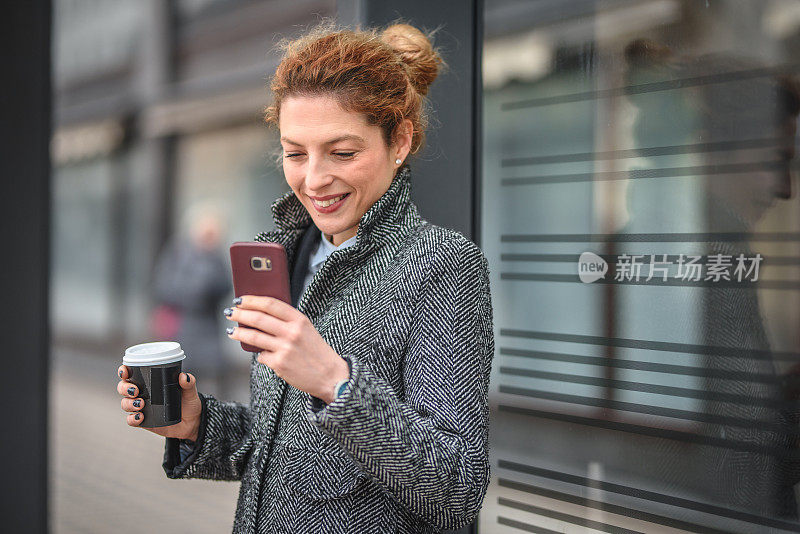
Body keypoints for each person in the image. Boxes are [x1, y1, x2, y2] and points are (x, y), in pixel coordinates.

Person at [116, 19, 495, 533]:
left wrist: (335, 384)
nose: (314, 180)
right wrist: (197, 424)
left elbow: (457, 488)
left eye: (342, 153)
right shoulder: (287, 254)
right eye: (295, 153)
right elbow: (283, 449)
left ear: (399, 141)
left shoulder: (441, 264)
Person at [151, 204, 233, 398]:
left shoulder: (217, 257)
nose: (210, 238)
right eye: (207, 232)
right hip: (183, 327)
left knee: (215, 378)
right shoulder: (179, 253)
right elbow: (163, 286)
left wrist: (208, 289)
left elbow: (226, 286)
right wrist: (196, 292)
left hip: (209, 329)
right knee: (181, 376)